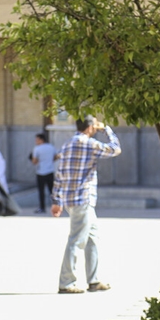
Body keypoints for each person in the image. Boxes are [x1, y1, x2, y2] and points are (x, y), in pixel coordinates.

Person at [51, 115, 121, 294]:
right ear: (90, 127)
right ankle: (66, 283)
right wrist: (106, 129)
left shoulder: (67, 144)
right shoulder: (89, 144)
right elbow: (115, 149)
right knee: (76, 240)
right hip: (83, 199)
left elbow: (59, 174)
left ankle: (94, 280)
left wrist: (56, 200)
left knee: (92, 238)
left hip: (71, 199)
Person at [30, 133, 58, 214]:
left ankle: (42, 207)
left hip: (40, 172)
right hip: (50, 171)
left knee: (41, 191)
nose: (36, 141)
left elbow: (34, 161)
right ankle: (56, 206)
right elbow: (56, 157)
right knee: (52, 191)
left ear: (41, 140)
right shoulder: (51, 147)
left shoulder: (37, 149)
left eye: (37, 140)